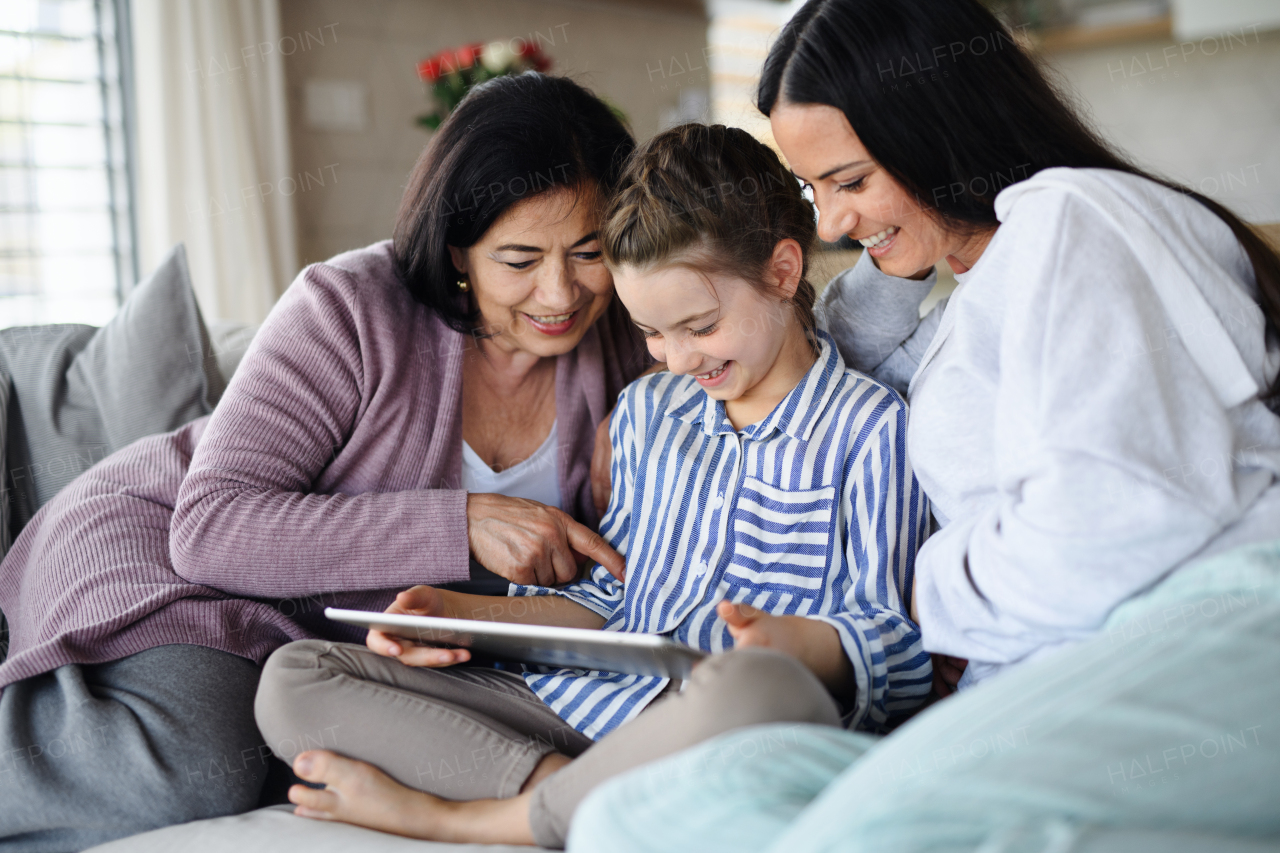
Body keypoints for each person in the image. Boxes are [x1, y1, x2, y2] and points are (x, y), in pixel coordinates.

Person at [562, 0, 1280, 848]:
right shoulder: (973, 295)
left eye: (851, 181)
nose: (828, 222)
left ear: (940, 128)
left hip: (1201, 625)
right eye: (813, 188)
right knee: (633, 814)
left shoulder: (1071, 222)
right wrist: (901, 243)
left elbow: (1113, 527)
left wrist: (921, 594)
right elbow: (838, 344)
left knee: (868, 833)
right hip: (1035, 676)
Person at [0, 73, 647, 851]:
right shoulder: (348, 307)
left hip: (329, 635)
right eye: (520, 259)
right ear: (458, 251)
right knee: (201, 766)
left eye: (590, 251)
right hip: (167, 549)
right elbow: (210, 527)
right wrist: (462, 521)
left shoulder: (630, 334)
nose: (561, 291)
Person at [252, 122, 932, 849]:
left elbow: (896, 644)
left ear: (783, 272)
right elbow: (613, 599)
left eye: (699, 326)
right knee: (295, 676)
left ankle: (472, 816)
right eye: (652, 333)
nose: (676, 360)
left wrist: (796, 641)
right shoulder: (650, 412)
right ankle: (569, 793)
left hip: (725, 721)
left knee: (760, 687)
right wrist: (460, 613)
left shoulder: (872, 429)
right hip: (585, 709)